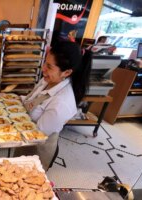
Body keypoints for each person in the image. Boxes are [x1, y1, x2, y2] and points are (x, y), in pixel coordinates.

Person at [14, 41, 92, 169]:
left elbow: (36, 134)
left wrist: (6, 128)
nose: (43, 68)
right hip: (24, 141)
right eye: (45, 62)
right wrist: (15, 99)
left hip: (37, 148)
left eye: (49, 67)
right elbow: (33, 100)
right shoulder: (47, 81)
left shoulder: (61, 103)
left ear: (66, 73)